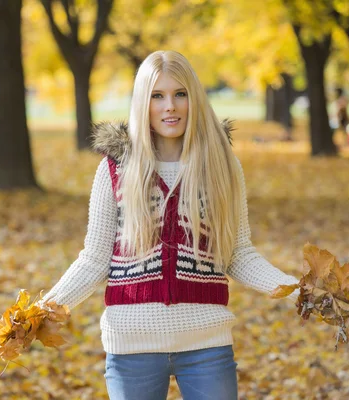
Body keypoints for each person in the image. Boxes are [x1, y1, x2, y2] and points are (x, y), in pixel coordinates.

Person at [41, 50, 298, 400]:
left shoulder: (222, 166)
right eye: (157, 96)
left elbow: (239, 253)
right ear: (142, 103)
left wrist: (297, 289)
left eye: (180, 94)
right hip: (132, 347)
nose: (170, 107)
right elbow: (94, 259)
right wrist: (43, 309)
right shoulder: (116, 169)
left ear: (194, 98)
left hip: (207, 344)